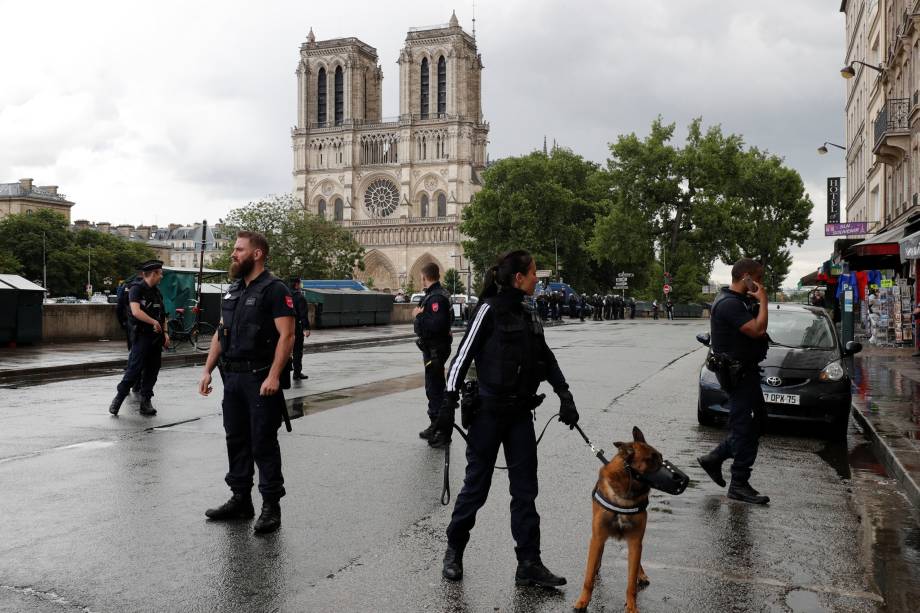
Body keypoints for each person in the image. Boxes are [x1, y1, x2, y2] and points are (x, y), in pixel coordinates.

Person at [432, 250, 579, 587]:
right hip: (488, 413)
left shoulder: (529, 311)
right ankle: (454, 550)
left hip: (520, 415)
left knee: (526, 491)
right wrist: (446, 405)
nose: (537, 279)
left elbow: (545, 356)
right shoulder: (488, 310)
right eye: (532, 273)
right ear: (518, 278)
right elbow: (460, 358)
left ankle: (528, 563)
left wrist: (564, 393)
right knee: (476, 489)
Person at [198, 231, 296, 534]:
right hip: (234, 377)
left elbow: (287, 335)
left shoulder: (275, 289)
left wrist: (274, 376)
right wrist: (207, 370)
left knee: (263, 442)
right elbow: (220, 331)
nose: (233, 254)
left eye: (239, 249)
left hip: (259, 377)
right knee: (236, 439)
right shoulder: (234, 289)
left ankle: (271, 507)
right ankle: (240, 499)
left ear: (257, 254)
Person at [697, 258, 770, 505]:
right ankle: (738, 483)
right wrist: (764, 301)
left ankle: (715, 458)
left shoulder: (738, 301)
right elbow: (758, 330)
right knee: (744, 427)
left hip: (746, 373)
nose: (760, 284)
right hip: (737, 375)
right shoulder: (729, 304)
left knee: (756, 422)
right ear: (747, 277)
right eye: (758, 278)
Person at [108, 260, 169, 416]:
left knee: (152, 370)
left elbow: (163, 315)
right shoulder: (136, 289)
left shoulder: (157, 292)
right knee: (134, 369)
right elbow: (136, 311)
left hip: (156, 338)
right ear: (153, 273)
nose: (161, 276)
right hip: (142, 336)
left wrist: (166, 333)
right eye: (160, 273)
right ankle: (118, 398)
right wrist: (153, 322)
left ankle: (146, 402)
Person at [414, 263, 454, 444]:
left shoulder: (436, 297)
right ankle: (436, 425)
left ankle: (441, 430)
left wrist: (418, 316)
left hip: (435, 349)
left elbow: (435, 326)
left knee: (435, 389)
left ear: (424, 277)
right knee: (434, 388)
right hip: (435, 348)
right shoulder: (438, 295)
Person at [288, 277, 311, 380]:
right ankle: (297, 372)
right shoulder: (299, 297)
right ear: (297, 284)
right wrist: (306, 328)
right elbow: (303, 314)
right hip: (296, 327)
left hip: (283, 327)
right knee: (297, 350)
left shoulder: (285, 295)